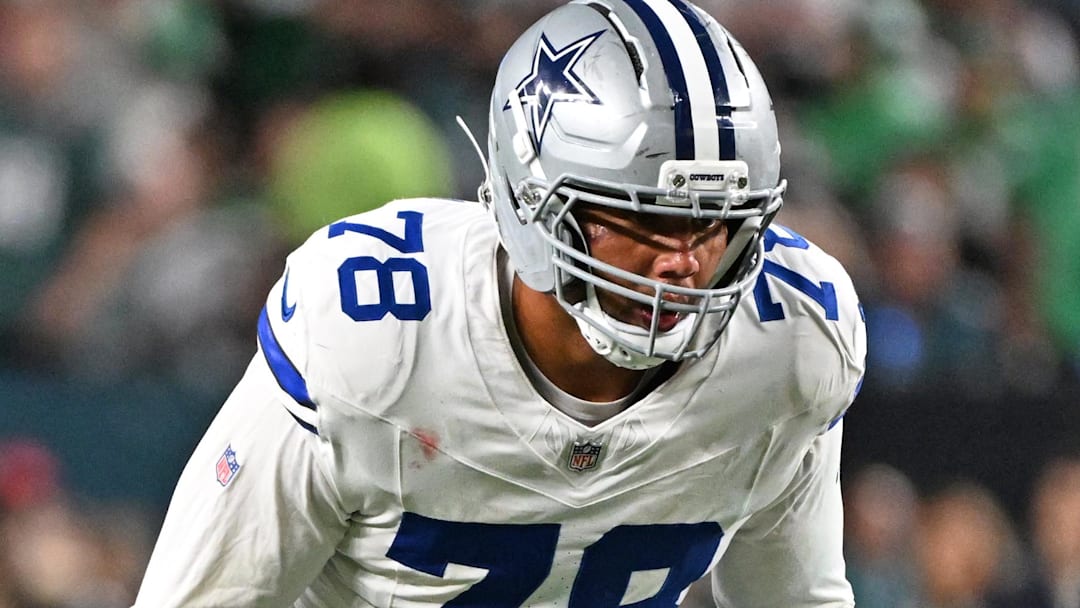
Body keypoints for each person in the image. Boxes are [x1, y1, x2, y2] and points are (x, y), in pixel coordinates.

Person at [133, 0, 866, 605]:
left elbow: (795, 597)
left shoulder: (791, 343)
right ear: (532, 201)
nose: (684, 260)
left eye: (714, 223)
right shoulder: (377, 335)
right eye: (645, 220)